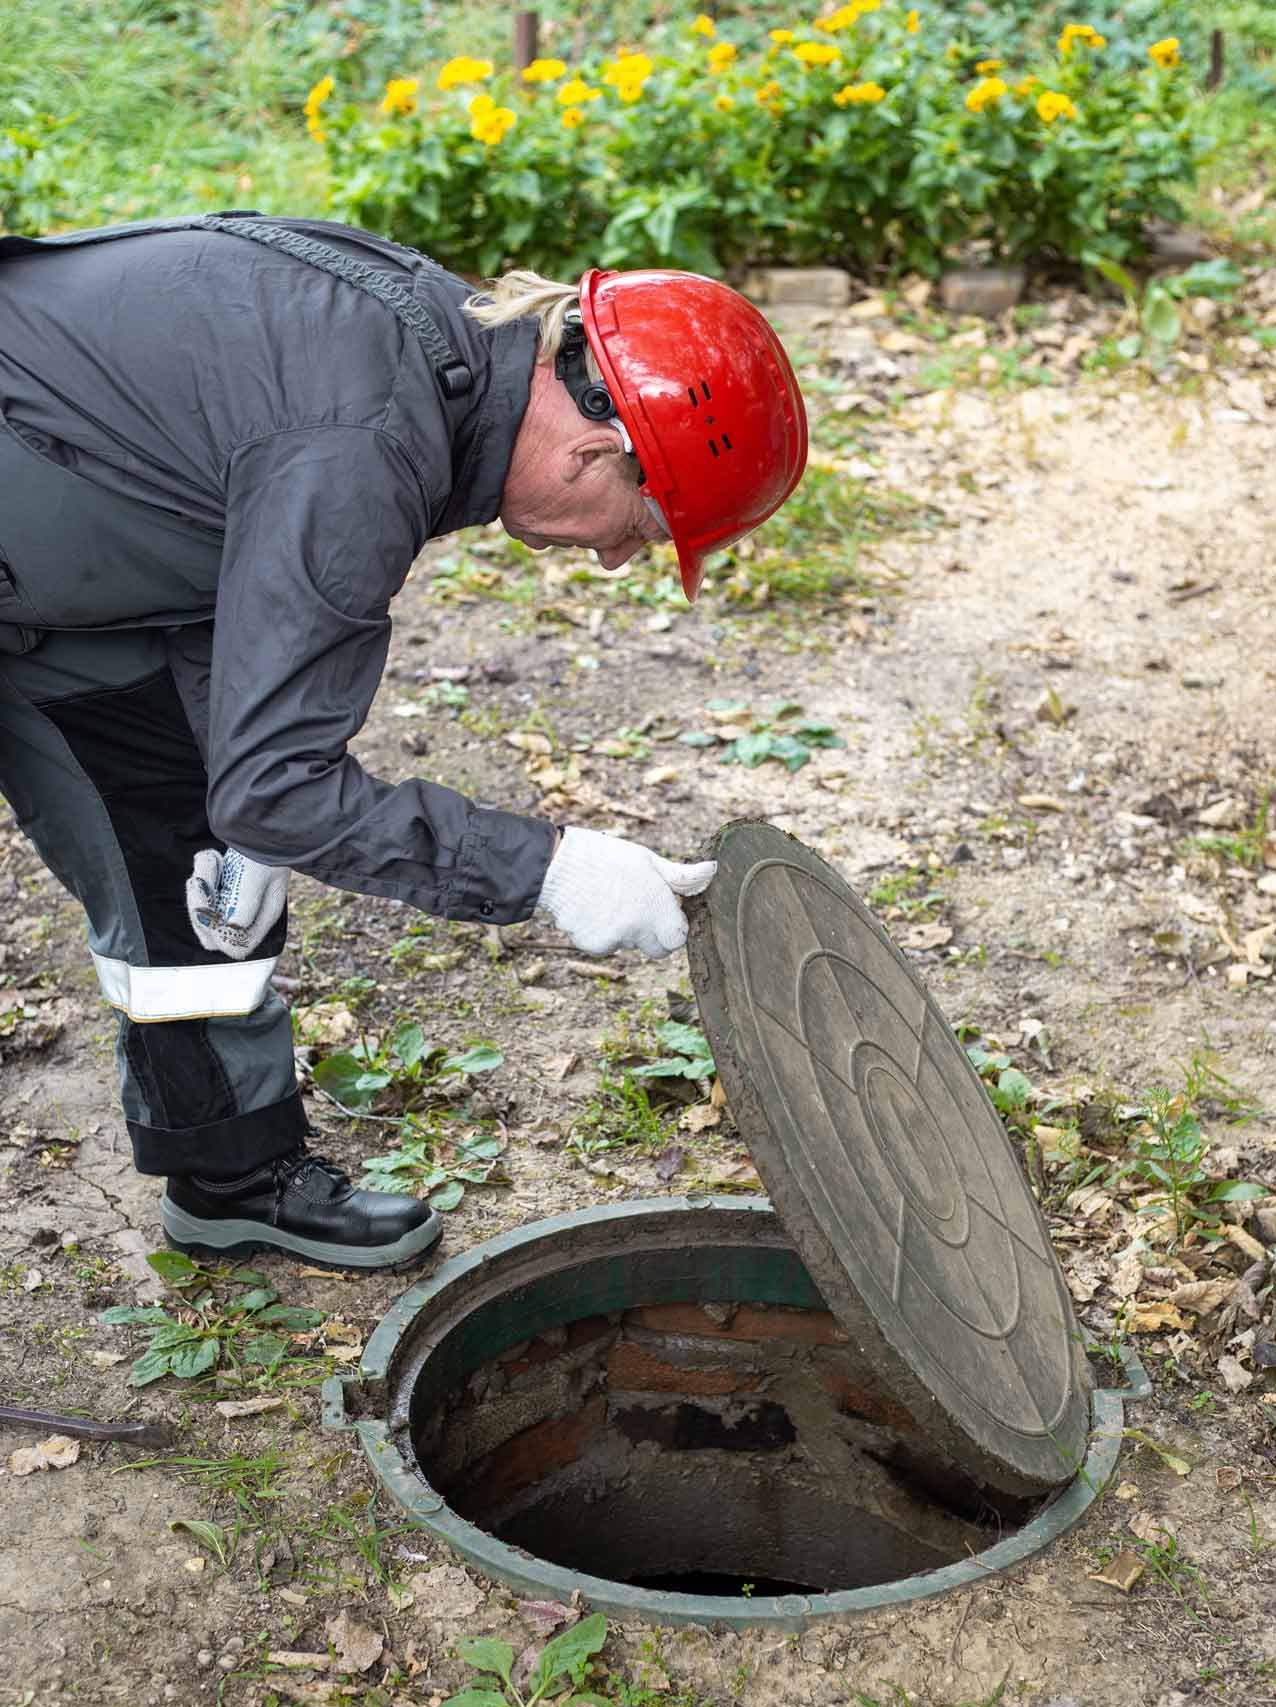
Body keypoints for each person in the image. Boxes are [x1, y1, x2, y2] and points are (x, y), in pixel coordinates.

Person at [0, 214, 807, 1270]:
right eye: (640, 528)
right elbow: (279, 793)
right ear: (594, 449)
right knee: (240, 808)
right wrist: (551, 870)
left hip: (69, 573)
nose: (616, 561)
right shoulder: (363, 442)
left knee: (191, 837)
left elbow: (201, 504)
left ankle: (231, 1176)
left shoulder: (434, 343)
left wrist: (220, 746)